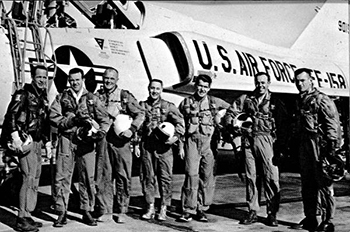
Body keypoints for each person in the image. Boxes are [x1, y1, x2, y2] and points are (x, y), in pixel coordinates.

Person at [224, 72, 287, 227]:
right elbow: (230, 112)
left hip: (267, 140)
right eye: (258, 82)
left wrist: (281, 147)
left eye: (263, 82)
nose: (260, 85)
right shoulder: (246, 99)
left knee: (271, 177)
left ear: (269, 83)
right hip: (248, 140)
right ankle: (252, 210)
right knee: (251, 176)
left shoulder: (275, 101)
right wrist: (233, 125)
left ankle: (272, 213)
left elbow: (283, 124)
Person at [50, 68, 111, 227]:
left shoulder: (91, 98)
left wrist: (101, 132)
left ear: (82, 79)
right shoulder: (62, 97)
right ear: (69, 80)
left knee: (87, 177)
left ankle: (87, 210)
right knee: (62, 176)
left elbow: (105, 118)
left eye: (77, 79)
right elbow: (53, 116)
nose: (75, 82)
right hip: (67, 139)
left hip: (86, 142)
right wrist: (71, 121)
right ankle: (61, 211)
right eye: (72, 80)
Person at [0, 65, 52, 232]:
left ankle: (27, 214)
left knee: (35, 177)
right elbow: (11, 115)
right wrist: (15, 137)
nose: (42, 80)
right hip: (25, 141)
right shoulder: (22, 94)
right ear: (33, 77)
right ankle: (22, 217)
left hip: (37, 143)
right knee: (28, 177)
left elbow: (43, 123)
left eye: (45, 77)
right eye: (39, 77)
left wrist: (47, 142)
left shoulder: (43, 97)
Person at [290, 68, 341, 232]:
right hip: (305, 146)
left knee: (324, 184)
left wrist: (332, 150)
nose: (300, 84)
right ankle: (310, 217)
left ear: (311, 80)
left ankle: (328, 220)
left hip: (320, 146)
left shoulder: (322, 99)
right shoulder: (300, 100)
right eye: (297, 81)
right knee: (307, 183)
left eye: (303, 80)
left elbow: (333, 125)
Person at [178, 74, 232, 222]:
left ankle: (201, 209)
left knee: (207, 177)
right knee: (191, 175)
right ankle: (188, 209)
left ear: (209, 88)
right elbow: (179, 123)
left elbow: (232, 109)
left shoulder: (214, 102)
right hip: (192, 142)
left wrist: (226, 122)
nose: (202, 89)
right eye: (200, 85)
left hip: (209, 144)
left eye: (205, 87)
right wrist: (181, 145)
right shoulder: (186, 102)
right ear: (196, 85)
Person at [94, 67, 145, 223]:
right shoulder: (97, 97)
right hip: (103, 141)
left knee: (122, 176)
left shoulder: (124, 96)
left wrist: (132, 129)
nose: (108, 81)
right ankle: (106, 209)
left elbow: (140, 113)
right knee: (103, 175)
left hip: (121, 141)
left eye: (111, 78)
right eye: (106, 78)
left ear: (117, 80)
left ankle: (122, 210)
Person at [139, 79, 185, 221]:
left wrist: (175, 138)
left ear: (161, 90)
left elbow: (180, 123)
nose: (154, 91)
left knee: (165, 178)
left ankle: (164, 207)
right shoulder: (142, 106)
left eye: (157, 89)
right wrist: (135, 144)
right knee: (147, 177)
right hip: (147, 146)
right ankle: (150, 206)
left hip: (164, 148)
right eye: (152, 88)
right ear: (148, 88)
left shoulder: (168, 106)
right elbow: (138, 126)